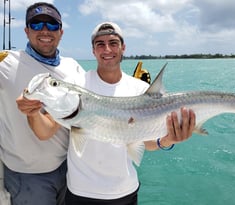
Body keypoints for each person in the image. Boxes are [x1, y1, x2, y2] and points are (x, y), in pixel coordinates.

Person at [26, 22, 196, 205]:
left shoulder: (140, 89)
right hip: (80, 192)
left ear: (123, 48)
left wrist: (169, 140)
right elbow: (45, 132)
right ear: (93, 51)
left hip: (125, 192)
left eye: (113, 43)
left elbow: (147, 142)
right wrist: (33, 112)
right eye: (100, 44)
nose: (107, 49)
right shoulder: (76, 84)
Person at [0, 2, 85, 205]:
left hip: (69, 169)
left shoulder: (72, 67)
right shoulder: (5, 62)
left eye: (52, 25)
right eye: (37, 25)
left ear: (61, 32)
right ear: (26, 31)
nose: (45, 30)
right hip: (26, 175)